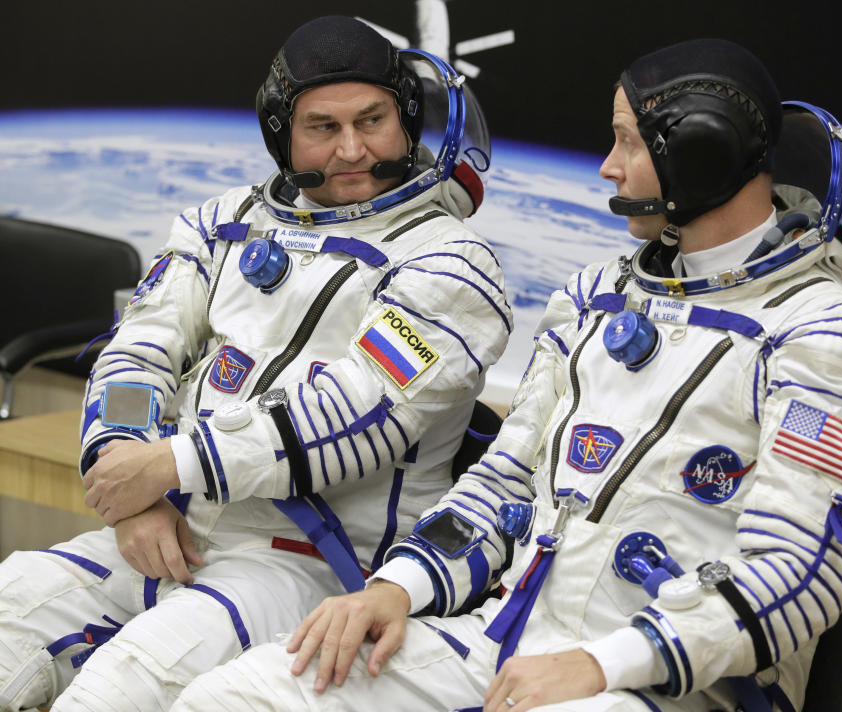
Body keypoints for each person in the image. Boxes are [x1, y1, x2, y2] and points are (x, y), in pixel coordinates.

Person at [171, 39, 842, 712]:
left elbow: (799, 571)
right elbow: (502, 487)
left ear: (701, 151)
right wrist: (398, 588)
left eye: (626, 141)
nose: (609, 167)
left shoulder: (832, 340)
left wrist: (601, 664)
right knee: (238, 696)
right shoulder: (593, 301)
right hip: (506, 639)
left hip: (669, 684)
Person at [0, 15, 511, 712]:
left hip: (308, 565)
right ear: (283, 136)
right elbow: (137, 353)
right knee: (11, 615)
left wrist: (173, 464)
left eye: (373, 120)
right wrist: (132, 475)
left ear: (408, 121)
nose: (353, 149)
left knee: (117, 691)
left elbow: (361, 413)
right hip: (172, 528)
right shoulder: (221, 224)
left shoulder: (451, 265)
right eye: (323, 129)